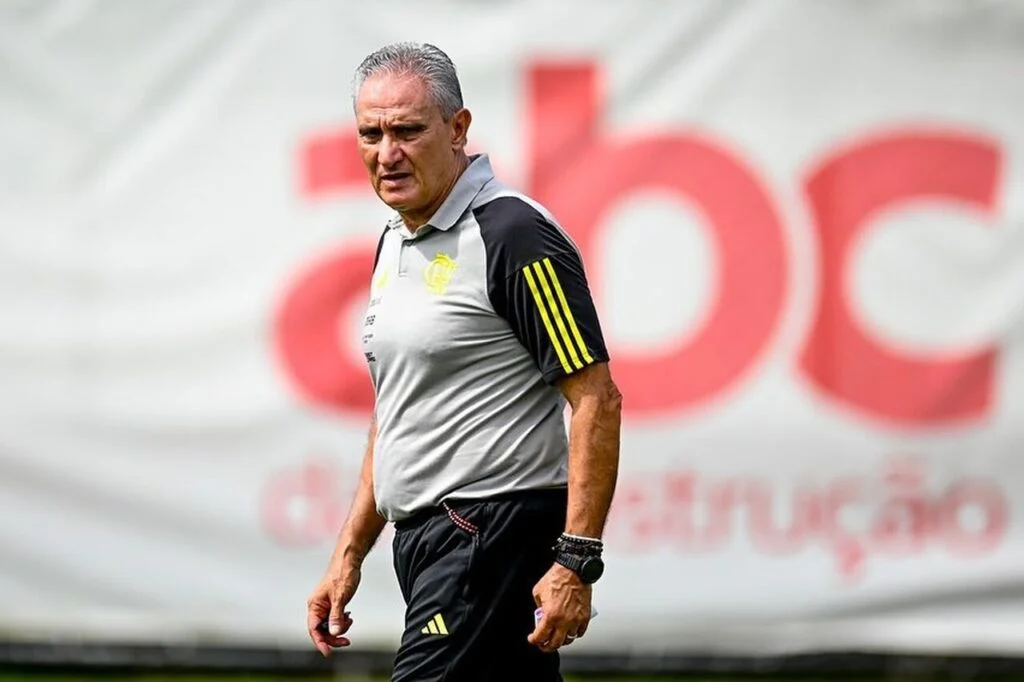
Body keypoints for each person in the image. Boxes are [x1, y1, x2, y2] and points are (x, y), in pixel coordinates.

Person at [305, 41, 622, 682]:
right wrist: (349, 553)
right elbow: (398, 410)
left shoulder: (511, 234)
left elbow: (596, 398)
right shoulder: (397, 238)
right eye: (370, 134)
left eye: (407, 131)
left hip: (486, 533)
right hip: (426, 542)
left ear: (458, 129)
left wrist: (576, 559)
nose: (387, 153)